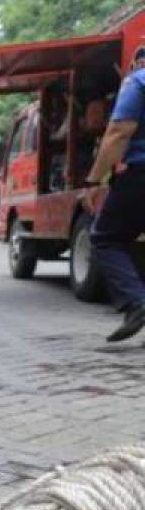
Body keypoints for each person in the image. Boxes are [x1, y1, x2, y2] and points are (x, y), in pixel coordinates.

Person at [86, 56, 145, 343]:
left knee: (105, 237)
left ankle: (137, 302)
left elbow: (119, 132)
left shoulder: (138, 82)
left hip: (142, 174)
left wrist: (95, 180)